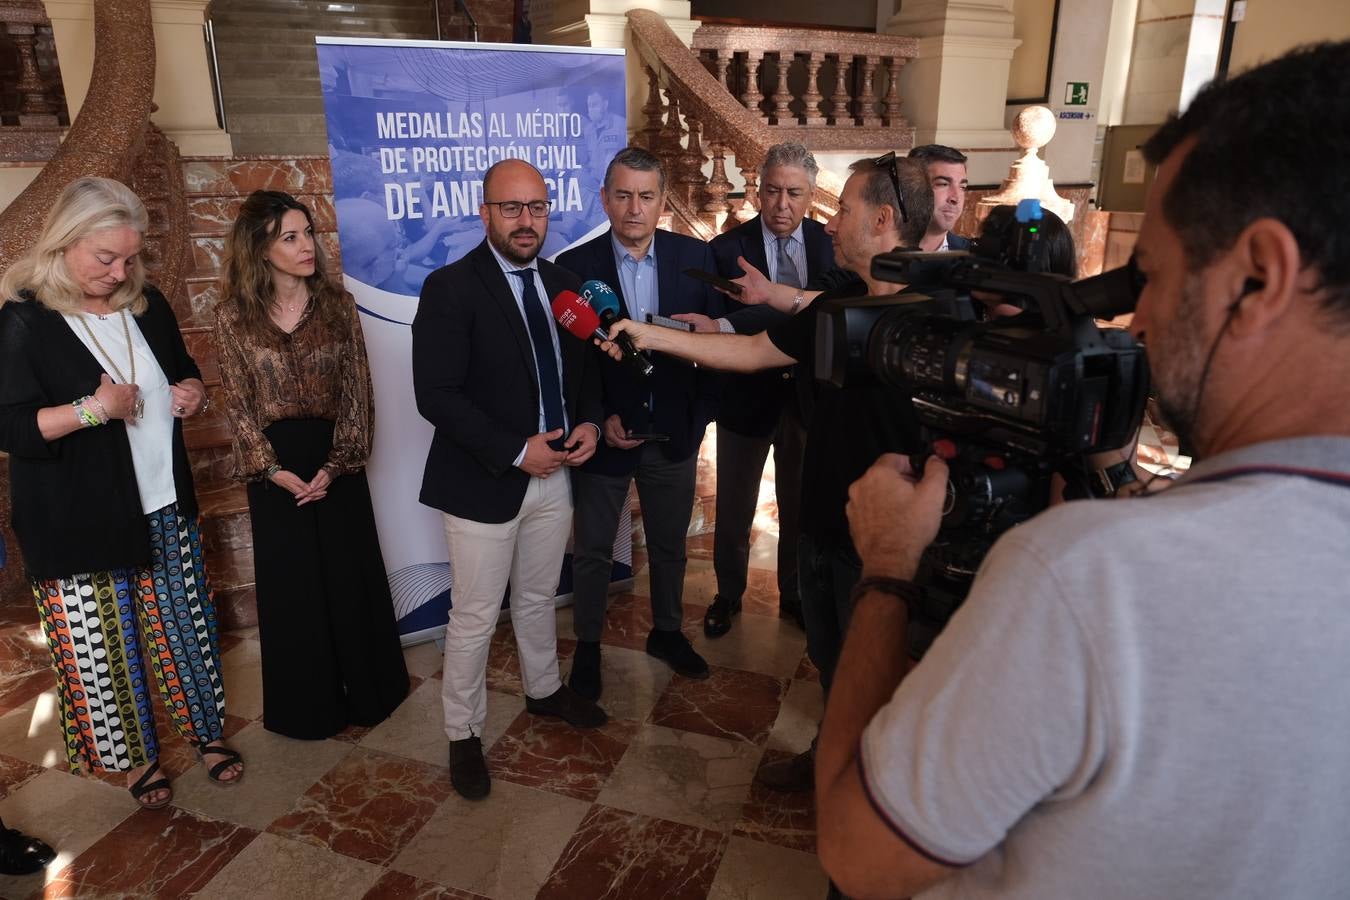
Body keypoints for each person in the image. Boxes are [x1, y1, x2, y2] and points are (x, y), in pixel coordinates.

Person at [815, 41, 1350, 899]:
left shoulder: (1091, 574)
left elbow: (855, 849)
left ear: (1259, 277)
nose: (1136, 325)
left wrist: (885, 572)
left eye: (1158, 276)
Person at [598, 154, 934, 796]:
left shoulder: (937, 318)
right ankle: (829, 756)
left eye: (846, 210)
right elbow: (756, 349)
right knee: (834, 662)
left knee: (884, 673)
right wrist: (654, 335)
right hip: (824, 525)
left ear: (886, 219)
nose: (830, 225)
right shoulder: (840, 301)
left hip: (887, 544)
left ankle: (880, 789)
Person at [0, 176, 243, 810]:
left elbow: (178, 371)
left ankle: (206, 735)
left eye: (129, 257)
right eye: (104, 257)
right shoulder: (26, 318)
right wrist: (93, 410)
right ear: (63, 242)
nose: (119, 270)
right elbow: (11, 427)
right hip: (77, 516)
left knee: (185, 629)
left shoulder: (147, 303)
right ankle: (135, 760)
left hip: (164, 499)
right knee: (102, 647)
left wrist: (190, 390)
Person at [413, 158, 608, 801]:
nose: (527, 222)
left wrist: (588, 425)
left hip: (557, 473)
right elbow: (435, 395)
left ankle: (545, 692)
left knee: (538, 598)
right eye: (511, 208)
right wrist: (513, 451)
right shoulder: (451, 287)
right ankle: (463, 733)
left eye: (537, 208)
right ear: (485, 211)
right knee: (472, 615)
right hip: (484, 481)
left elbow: (579, 374)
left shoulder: (566, 283)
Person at [213, 190, 409, 741]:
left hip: (335, 465)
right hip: (275, 472)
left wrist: (337, 462)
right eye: (290, 237)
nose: (307, 248)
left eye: (309, 234)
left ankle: (372, 693)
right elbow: (238, 400)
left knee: (350, 579)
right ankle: (308, 710)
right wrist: (270, 468)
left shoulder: (339, 306)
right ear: (260, 248)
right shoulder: (232, 317)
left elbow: (357, 392)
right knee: (294, 591)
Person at [556, 146, 725, 699]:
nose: (634, 208)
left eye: (646, 196)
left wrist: (697, 423)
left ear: (661, 203)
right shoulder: (572, 270)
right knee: (594, 551)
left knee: (671, 545)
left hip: (673, 435)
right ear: (604, 199)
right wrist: (597, 417)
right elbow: (569, 366)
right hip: (605, 441)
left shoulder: (694, 259)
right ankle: (587, 648)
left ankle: (669, 632)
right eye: (623, 195)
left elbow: (710, 354)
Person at [693, 141, 835, 637]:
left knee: (800, 502)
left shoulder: (831, 246)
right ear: (756, 192)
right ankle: (728, 593)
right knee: (733, 504)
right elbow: (725, 322)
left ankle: (794, 592)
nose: (781, 204)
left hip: (808, 400)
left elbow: (831, 317)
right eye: (772, 191)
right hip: (746, 395)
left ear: (811, 195)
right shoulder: (726, 250)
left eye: (793, 193)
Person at [907, 144, 971, 251]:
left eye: (962, 187)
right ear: (912, 188)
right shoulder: (879, 252)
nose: (955, 199)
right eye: (943, 184)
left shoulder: (972, 255)